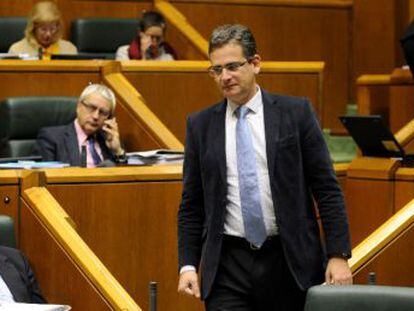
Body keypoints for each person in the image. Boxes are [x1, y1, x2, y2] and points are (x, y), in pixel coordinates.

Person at [177, 24, 352, 311]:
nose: (225, 77)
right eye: (216, 70)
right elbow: (191, 204)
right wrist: (187, 264)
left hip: (288, 260)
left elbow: (326, 188)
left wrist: (338, 254)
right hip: (227, 265)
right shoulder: (200, 125)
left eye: (232, 66)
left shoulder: (296, 113)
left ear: (256, 63)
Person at [36, 84, 126, 167]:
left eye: (103, 112)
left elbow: (126, 179)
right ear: (78, 106)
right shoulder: (51, 138)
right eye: (91, 108)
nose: (96, 116)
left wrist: (118, 151)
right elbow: (46, 177)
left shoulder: (109, 141)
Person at [8, 1, 77, 60]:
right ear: (33, 28)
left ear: (58, 27)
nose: (48, 34)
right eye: (43, 29)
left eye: (52, 29)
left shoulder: (69, 50)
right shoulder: (16, 50)